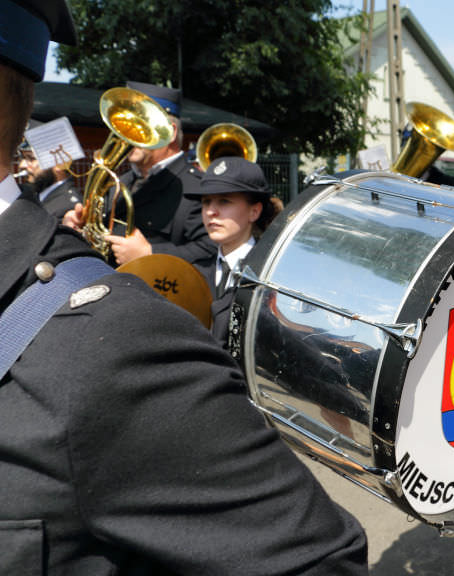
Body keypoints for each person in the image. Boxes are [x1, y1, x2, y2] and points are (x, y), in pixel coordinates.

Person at [0, 2, 368, 574]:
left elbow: (199, 252)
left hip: (154, 306)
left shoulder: (123, 348)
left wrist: (148, 258)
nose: (214, 208)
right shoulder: (125, 180)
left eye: (226, 203)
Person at [64, 82, 216, 266]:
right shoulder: (119, 182)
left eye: (140, 126)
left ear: (171, 132)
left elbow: (210, 248)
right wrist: (81, 228)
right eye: (125, 124)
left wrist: (151, 255)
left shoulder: (196, 185)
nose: (126, 134)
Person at [185, 156, 283, 349]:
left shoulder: (271, 273)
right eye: (206, 202)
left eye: (224, 201)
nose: (211, 211)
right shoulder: (194, 272)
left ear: (254, 212)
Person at [16, 133, 82, 218]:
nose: (22, 165)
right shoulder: (42, 196)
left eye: (31, 158)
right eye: (23, 158)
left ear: (60, 163)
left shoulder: (67, 207)